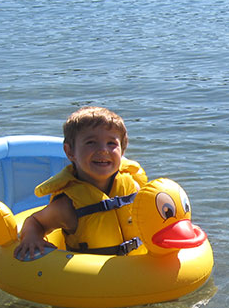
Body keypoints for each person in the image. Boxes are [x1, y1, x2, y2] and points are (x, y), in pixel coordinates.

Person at [14, 106, 149, 260]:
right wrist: (32, 237)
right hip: (89, 278)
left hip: (137, 271)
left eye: (111, 143)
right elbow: (35, 221)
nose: (103, 150)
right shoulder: (67, 205)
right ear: (70, 152)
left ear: (122, 150)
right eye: (91, 142)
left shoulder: (133, 188)